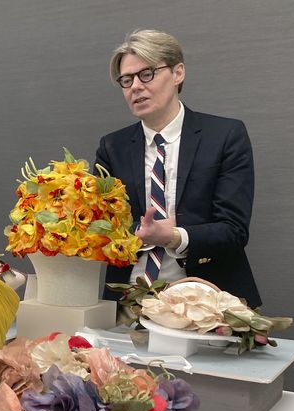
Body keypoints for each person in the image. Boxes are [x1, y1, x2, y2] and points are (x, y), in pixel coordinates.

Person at [95, 29, 261, 308]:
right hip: (127, 300)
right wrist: (144, 233)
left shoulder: (224, 136)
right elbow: (102, 226)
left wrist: (174, 236)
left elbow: (233, 230)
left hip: (209, 301)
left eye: (146, 74)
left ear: (177, 73)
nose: (135, 86)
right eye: (126, 80)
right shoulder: (113, 147)